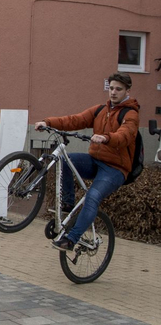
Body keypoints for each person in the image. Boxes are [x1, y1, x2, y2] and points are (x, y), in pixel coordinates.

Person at [35, 72, 139, 251]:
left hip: (115, 169)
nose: (113, 92)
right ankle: (68, 204)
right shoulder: (101, 110)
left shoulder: (131, 114)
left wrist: (106, 138)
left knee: (92, 197)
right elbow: (75, 120)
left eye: (119, 89)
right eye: (111, 88)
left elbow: (124, 135)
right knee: (64, 160)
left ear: (128, 91)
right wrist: (47, 122)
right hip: (95, 161)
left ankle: (71, 240)